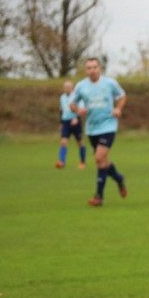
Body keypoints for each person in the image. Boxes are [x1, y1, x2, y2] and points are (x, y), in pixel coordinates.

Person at [70, 58, 128, 206]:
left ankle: (99, 196)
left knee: (98, 158)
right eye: (89, 68)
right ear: (86, 70)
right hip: (92, 129)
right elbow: (72, 103)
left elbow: (122, 96)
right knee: (103, 161)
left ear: (100, 68)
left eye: (95, 67)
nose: (92, 70)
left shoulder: (109, 83)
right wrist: (78, 110)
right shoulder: (81, 86)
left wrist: (118, 109)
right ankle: (119, 178)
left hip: (108, 126)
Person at [56, 80, 87, 169]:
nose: (67, 89)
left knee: (80, 142)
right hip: (66, 121)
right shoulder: (62, 97)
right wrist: (61, 122)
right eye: (65, 87)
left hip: (75, 121)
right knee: (63, 142)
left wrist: (76, 118)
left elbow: (81, 109)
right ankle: (61, 162)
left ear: (72, 87)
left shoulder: (77, 97)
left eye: (68, 87)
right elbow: (61, 110)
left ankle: (82, 162)